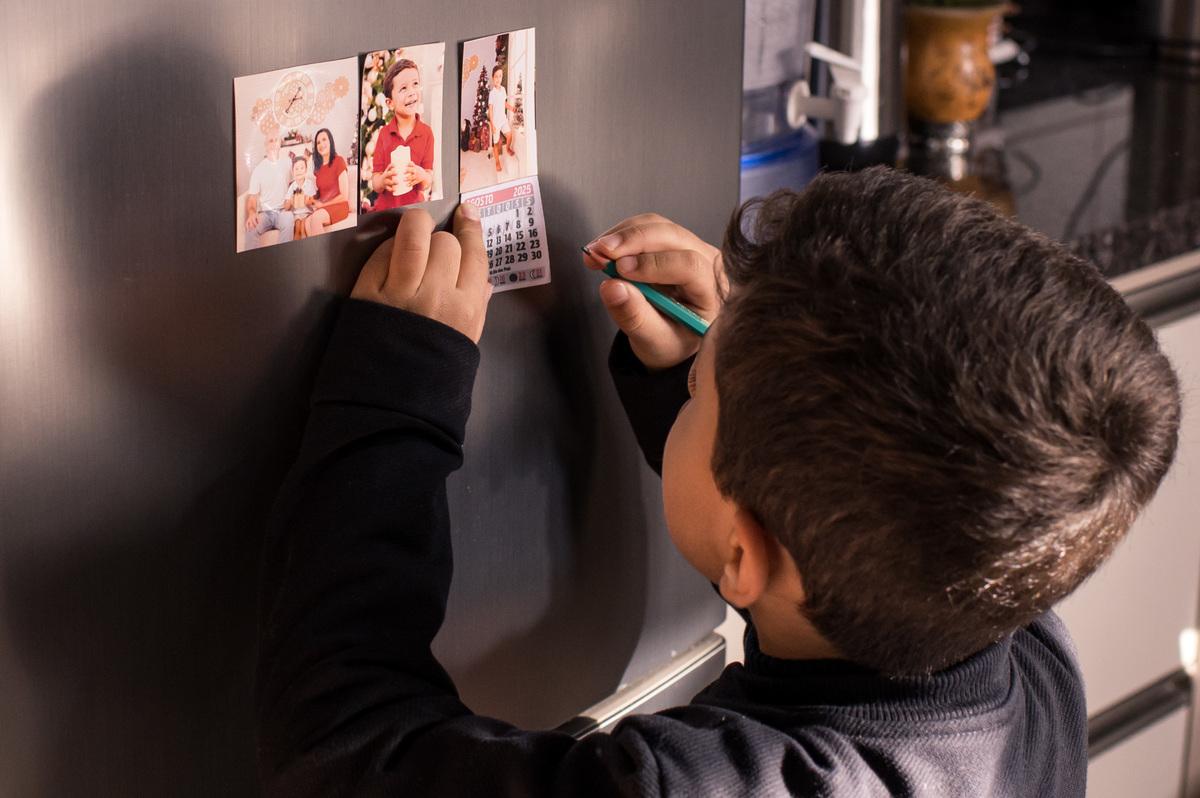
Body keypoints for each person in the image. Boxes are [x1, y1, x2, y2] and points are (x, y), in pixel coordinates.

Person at [255, 167, 1181, 796]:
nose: (698, 362)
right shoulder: (1019, 643)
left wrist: (396, 397)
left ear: (747, 550)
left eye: (701, 387)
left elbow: (351, 747)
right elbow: (815, 554)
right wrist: (721, 368)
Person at [370, 58, 434, 211]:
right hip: (386, 210)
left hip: (415, 211)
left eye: (415, 84)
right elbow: (375, 181)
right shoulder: (384, 134)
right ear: (390, 103)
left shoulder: (426, 133)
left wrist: (422, 176)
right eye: (403, 88)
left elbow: (428, 179)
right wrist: (382, 181)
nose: (412, 92)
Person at [244, 133, 294, 249]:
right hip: (264, 214)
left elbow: (294, 183)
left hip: (282, 211)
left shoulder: (287, 162)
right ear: (265, 145)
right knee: (251, 228)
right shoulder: (258, 170)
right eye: (271, 141)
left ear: (280, 143)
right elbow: (251, 200)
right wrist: (252, 213)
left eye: (276, 140)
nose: (274, 144)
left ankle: (284, 261)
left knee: (289, 218)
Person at [305, 129, 350, 237]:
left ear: (330, 141)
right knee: (306, 222)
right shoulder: (318, 169)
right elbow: (323, 191)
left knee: (315, 218)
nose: (321, 144)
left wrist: (322, 205)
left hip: (339, 205)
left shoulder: (339, 161)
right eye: (318, 142)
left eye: (324, 139)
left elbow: (344, 196)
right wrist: (310, 199)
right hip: (325, 207)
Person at [489, 64, 516, 173]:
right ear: (492, 78)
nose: (498, 79)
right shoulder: (492, 93)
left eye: (500, 76)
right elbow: (490, 109)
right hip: (495, 122)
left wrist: (510, 108)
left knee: (509, 135)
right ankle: (497, 161)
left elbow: (504, 103)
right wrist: (492, 124)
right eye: (496, 76)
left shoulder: (503, 90)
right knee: (496, 143)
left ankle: (508, 148)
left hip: (503, 119)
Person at [282, 153, 317, 238]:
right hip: (296, 214)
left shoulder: (309, 184)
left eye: (302, 168)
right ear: (293, 171)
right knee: (297, 226)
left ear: (306, 169)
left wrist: (308, 201)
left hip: (307, 213)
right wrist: (290, 202)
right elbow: (286, 208)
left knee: (303, 227)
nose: (299, 171)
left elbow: (314, 204)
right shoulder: (292, 187)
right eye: (296, 169)